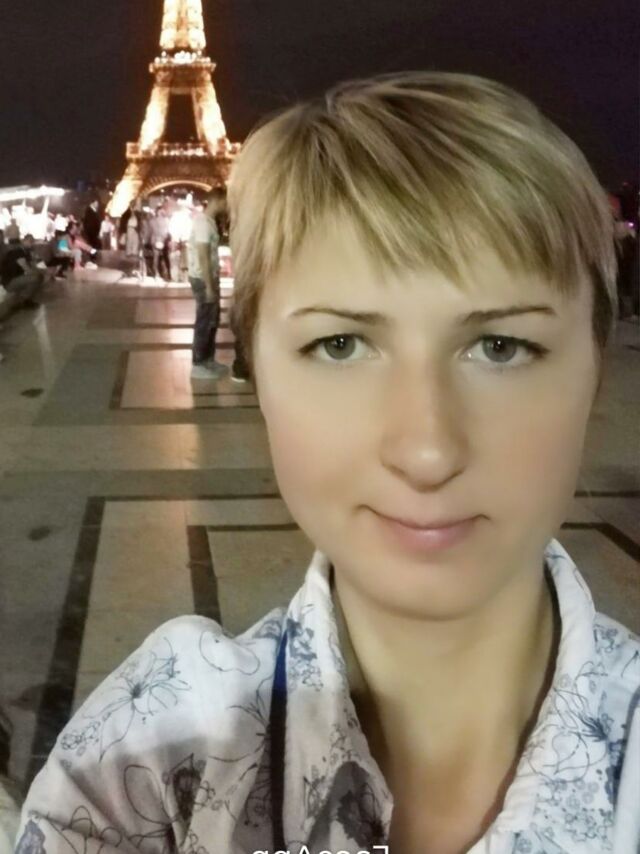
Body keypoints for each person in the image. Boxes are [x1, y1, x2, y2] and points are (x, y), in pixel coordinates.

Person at [15, 72, 639, 853]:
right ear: (257, 372)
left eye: (501, 347)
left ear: (596, 369)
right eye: (340, 345)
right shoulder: (138, 761)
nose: (426, 450)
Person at [187, 189, 229, 379]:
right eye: (225, 202)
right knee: (205, 320)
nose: (227, 206)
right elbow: (203, 255)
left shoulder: (209, 222)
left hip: (209, 276)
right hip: (203, 278)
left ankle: (208, 360)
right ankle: (199, 363)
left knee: (212, 319)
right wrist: (210, 286)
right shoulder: (203, 223)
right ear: (217, 200)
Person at [0, 234, 44, 310]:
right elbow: (26, 268)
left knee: (38, 277)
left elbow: (33, 265)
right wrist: (39, 272)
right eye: (29, 241)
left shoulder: (25, 252)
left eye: (32, 241)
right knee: (36, 277)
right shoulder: (17, 252)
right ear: (23, 241)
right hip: (9, 282)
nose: (31, 243)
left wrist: (40, 269)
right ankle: (24, 300)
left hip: (16, 278)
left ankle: (24, 300)